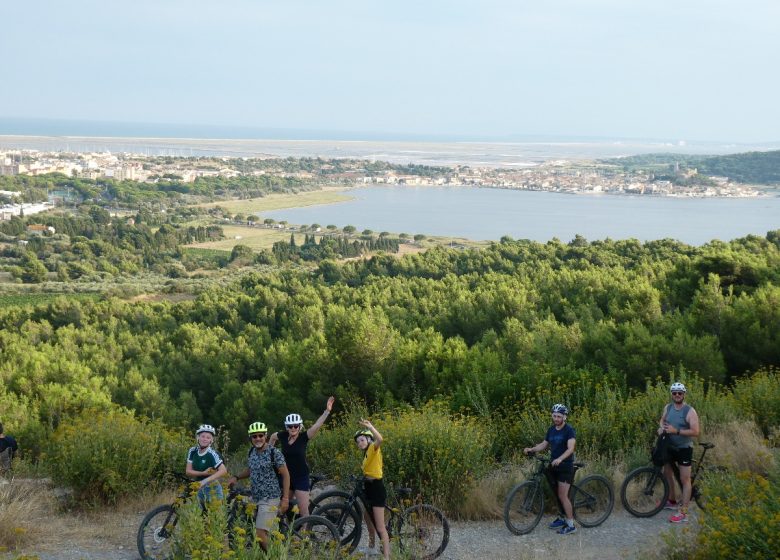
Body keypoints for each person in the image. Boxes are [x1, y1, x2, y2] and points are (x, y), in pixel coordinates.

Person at [228, 422, 290, 551]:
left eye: (260, 435)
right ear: (250, 438)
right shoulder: (252, 452)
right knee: (247, 524)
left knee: (260, 533)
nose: (258, 439)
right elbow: (251, 470)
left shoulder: (274, 453)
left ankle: (275, 557)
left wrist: (285, 499)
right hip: (256, 497)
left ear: (266, 436)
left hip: (270, 498)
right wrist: (237, 477)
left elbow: (286, 475)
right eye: (254, 436)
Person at [269, 396, 335, 517]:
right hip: (286, 476)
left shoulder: (304, 437)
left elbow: (317, 425)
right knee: (282, 508)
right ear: (286, 427)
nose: (293, 428)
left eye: (296, 426)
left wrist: (327, 411)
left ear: (300, 426)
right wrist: (270, 452)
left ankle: (305, 535)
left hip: (301, 477)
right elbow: (272, 437)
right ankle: (284, 532)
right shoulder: (282, 436)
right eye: (290, 426)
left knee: (304, 511)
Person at [523, 404, 577, 535]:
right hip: (553, 465)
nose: (556, 418)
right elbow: (544, 444)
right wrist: (532, 449)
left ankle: (571, 525)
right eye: (554, 416)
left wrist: (560, 458)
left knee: (563, 496)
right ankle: (562, 517)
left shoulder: (569, 430)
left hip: (565, 466)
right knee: (557, 493)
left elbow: (571, 448)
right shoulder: (551, 429)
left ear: (564, 417)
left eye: (559, 416)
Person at [658, 382, 700, 523]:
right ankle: (671, 500)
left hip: (684, 448)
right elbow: (662, 420)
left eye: (679, 393)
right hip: (670, 446)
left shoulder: (689, 411)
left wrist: (676, 431)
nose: (677, 395)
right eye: (674, 393)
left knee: (685, 479)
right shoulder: (668, 408)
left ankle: (684, 512)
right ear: (671, 394)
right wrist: (661, 428)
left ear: (684, 394)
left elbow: (695, 432)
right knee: (667, 473)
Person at [354, 419, 390, 560]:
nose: (360, 443)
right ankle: (371, 548)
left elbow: (380, 439)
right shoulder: (366, 454)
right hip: (368, 487)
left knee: (380, 527)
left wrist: (370, 426)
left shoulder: (373, 448)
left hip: (376, 489)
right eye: (358, 442)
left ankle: (386, 557)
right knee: (368, 521)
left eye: (362, 440)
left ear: (369, 439)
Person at [185, 424, 227, 507]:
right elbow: (188, 471)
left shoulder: (212, 454)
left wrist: (204, 481)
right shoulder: (192, 451)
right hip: (198, 486)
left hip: (212, 488)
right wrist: (203, 473)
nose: (205, 439)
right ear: (198, 437)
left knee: (214, 517)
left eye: (208, 437)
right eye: (203, 436)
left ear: (211, 440)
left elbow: (223, 471)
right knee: (196, 516)